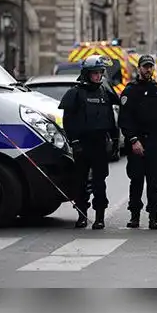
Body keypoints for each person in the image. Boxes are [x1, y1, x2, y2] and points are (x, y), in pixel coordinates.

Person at [119, 54, 157, 230]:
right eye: (145, 66)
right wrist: (133, 140)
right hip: (138, 143)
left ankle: (153, 216)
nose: (148, 70)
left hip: (154, 143)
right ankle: (135, 216)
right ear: (139, 68)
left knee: (154, 182)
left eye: (150, 67)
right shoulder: (130, 91)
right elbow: (125, 119)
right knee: (137, 181)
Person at [60, 54, 120, 229]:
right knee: (81, 182)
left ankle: (100, 216)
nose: (98, 76)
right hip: (82, 145)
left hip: (100, 144)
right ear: (87, 73)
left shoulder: (105, 93)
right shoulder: (75, 93)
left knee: (99, 183)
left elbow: (110, 119)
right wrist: (75, 142)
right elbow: (68, 121)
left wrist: (115, 140)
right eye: (94, 73)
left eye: (100, 73)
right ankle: (82, 215)